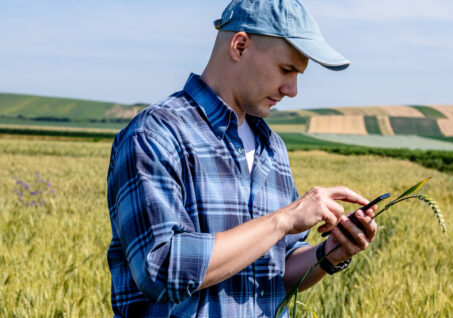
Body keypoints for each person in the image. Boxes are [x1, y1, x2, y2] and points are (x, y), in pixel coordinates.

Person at [106, 0, 378, 317]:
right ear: (240, 45)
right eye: (286, 69)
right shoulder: (156, 135)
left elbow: (275, 273)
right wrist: (284, 219)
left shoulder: (272, 147)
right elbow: (161, 269)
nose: (293, 90)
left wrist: (328, 253)